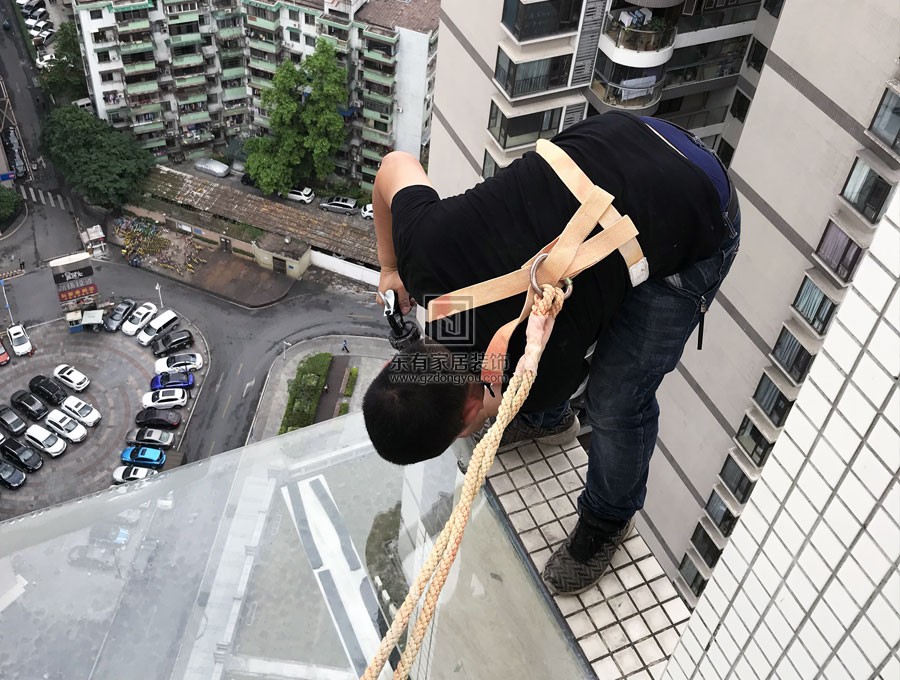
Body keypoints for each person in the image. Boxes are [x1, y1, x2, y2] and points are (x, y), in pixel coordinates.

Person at [362, 111, 740, 596]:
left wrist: (509, 400)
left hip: (699, 209)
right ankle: (546, 424)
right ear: (400, 360)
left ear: (472, 411)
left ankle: (607, 519)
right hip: (627, 139)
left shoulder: (543, 377)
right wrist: (391, 266)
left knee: (616, 400)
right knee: (573, 330)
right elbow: (394, 166)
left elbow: (526, 369)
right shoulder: (424, 253)